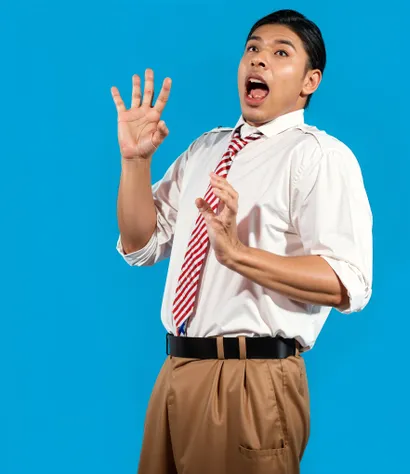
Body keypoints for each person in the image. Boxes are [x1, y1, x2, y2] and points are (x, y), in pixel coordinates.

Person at [111, 8, 372, 474]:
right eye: (252, 49)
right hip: (176, 372)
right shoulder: (206, 149)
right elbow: (141, 244)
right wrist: (134, 162)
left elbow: (346, 282)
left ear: (309, 81)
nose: (259, 60)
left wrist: (236, 253)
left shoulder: (318, 157)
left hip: (251, 380)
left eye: (279, 53)